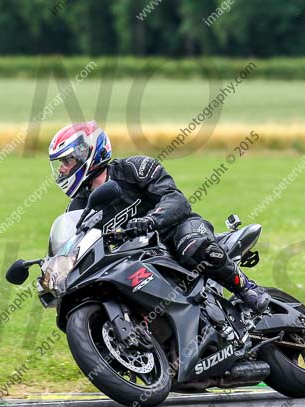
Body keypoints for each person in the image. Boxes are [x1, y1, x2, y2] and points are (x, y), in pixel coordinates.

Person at [48, 121, 270, 314]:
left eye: (65, 162)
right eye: (60, 164)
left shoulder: (134, 168)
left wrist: (151, 220)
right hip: (135, 259)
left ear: (85, 155)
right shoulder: (78, 207)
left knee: (191, 244)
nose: (61, 170)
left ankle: (248, 289)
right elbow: (76, 245)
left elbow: (176, 200)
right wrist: (53, 268)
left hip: (175, 232)